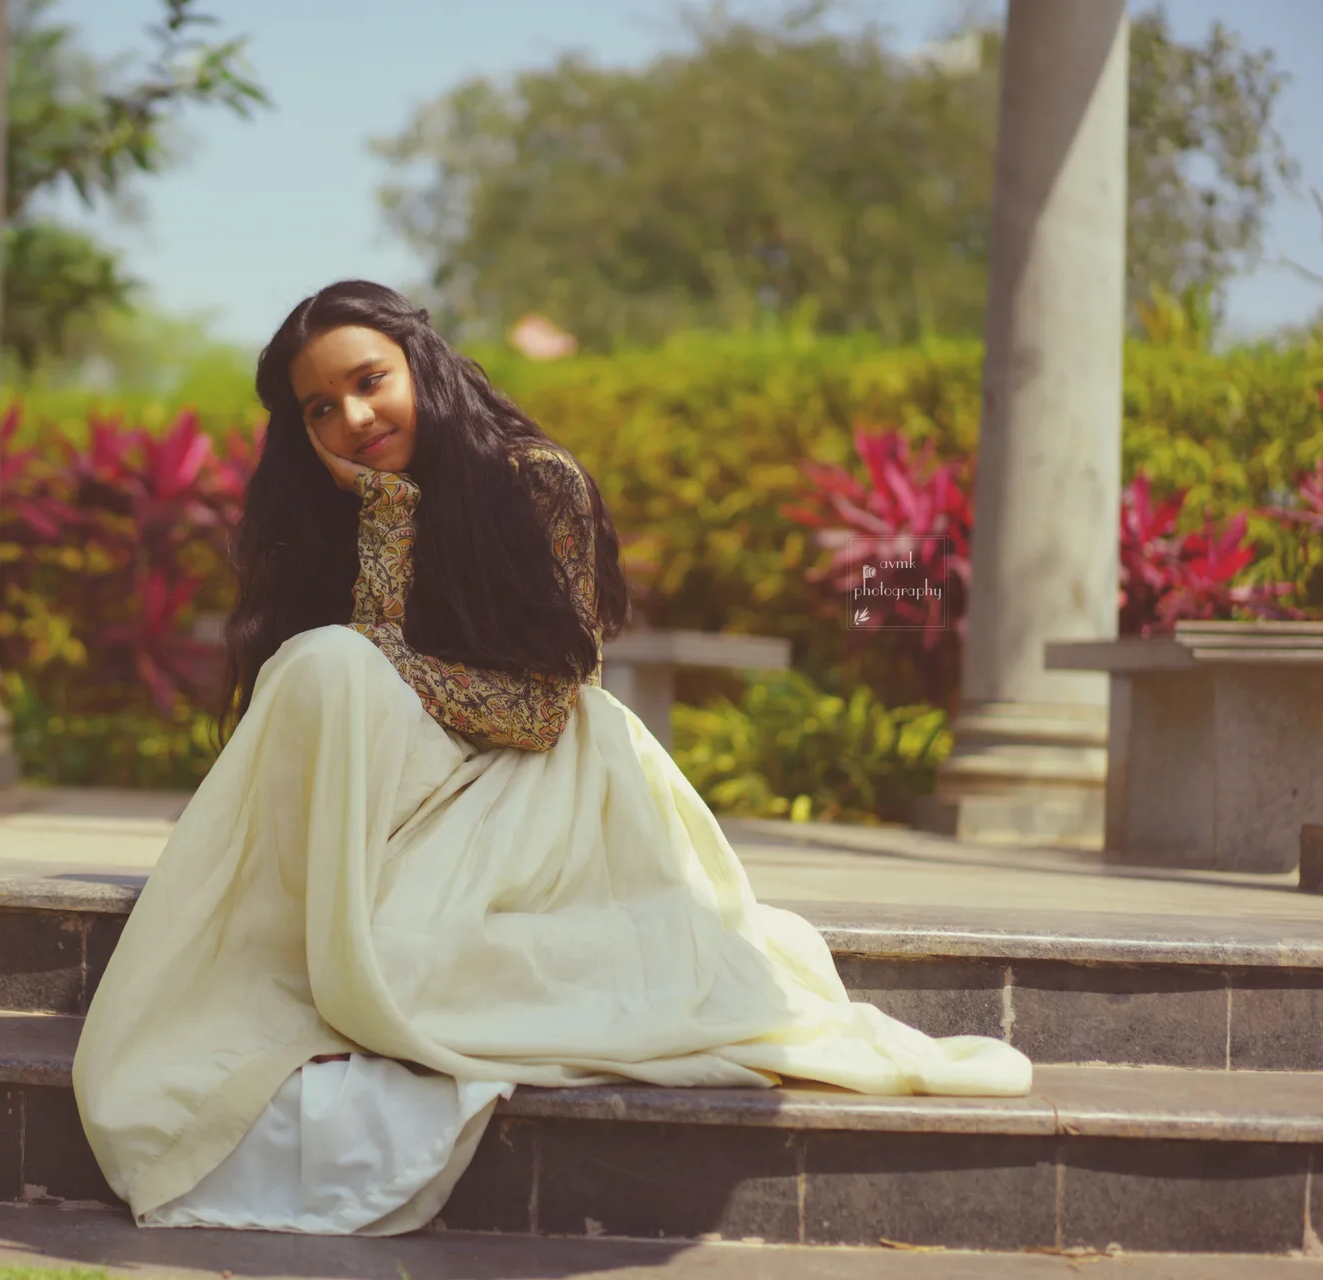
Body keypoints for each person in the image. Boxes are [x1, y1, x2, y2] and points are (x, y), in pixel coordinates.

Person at [71, 280, 1031, 1237]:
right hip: (410, 781)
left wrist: (394, 567)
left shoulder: (535, 481)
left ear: (422, 365)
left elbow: (536, 710)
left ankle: (369, 950)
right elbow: (350, 691)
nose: (354, 418)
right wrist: (381, 528)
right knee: (320, 664)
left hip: (545, 775)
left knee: (393, 868)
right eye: (320, 408)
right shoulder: (333, 515)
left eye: (369, 381)